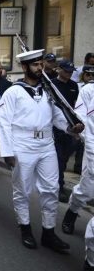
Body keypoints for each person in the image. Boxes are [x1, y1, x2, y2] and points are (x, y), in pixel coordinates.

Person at [0, 49, 83, 253]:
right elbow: (3, 122)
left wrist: (70, 127)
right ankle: (25, 228)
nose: (40, 67)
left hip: (46, 145)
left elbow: (56, 116)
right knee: (23, 190)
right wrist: (8, 151)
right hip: (23, 144)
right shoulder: (13, 92)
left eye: (40, 64)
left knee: (51, 188)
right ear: (25, 67)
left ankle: (48, 232)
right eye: (35, 65)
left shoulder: (48, 90)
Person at [60, 78, 94, 271]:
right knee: (86, 191)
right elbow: (82, 123)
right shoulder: (89, 91)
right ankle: (72, 211)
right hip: (93, 150)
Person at [51, 60, 79, 202]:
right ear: (59, 70)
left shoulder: (74, 86)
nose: (69, 74)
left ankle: (56, 182)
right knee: (58, 159)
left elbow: (76, 107)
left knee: (64, 158)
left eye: (71, 72)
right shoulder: (51, 85)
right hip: (55, 127)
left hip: (70, 128)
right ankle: (59, 188)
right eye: (67, 71)